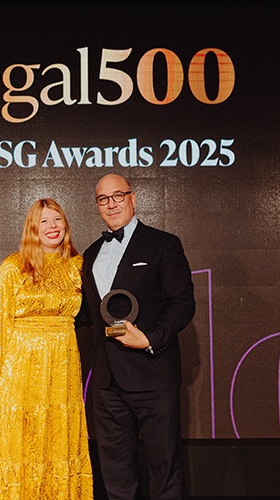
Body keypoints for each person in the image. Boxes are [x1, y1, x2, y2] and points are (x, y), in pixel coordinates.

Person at [79, 174, 196, 500]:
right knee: (116, 475)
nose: (111, 204)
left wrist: (149, 339)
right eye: (103, 199)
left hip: (153, 375)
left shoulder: (163, 244)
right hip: (106, 383)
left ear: (133, 198)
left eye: (118, 195)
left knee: (165, 470)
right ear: (97, 205)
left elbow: (182, 304)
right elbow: (85, 314)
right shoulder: (90, 254)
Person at [0, 198, 93, 499]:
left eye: (57, 219)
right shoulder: (14, 266)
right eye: (43, 221)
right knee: (19, 440)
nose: (52, 226)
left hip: (62, 368)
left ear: (66, 224)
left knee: (57, 439)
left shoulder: (78, 267)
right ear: (32, 229)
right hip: (20, 369)